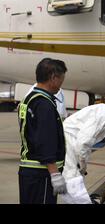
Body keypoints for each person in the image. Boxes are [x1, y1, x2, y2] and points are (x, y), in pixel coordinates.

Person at [18, 58, 68, 204]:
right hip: (41, 174)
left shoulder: (29, 99)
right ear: (53, 77)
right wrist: (55, 174)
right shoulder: (44, 105)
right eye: (61, 80)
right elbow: (45, 141)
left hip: (29, 172)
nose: (61, 85)